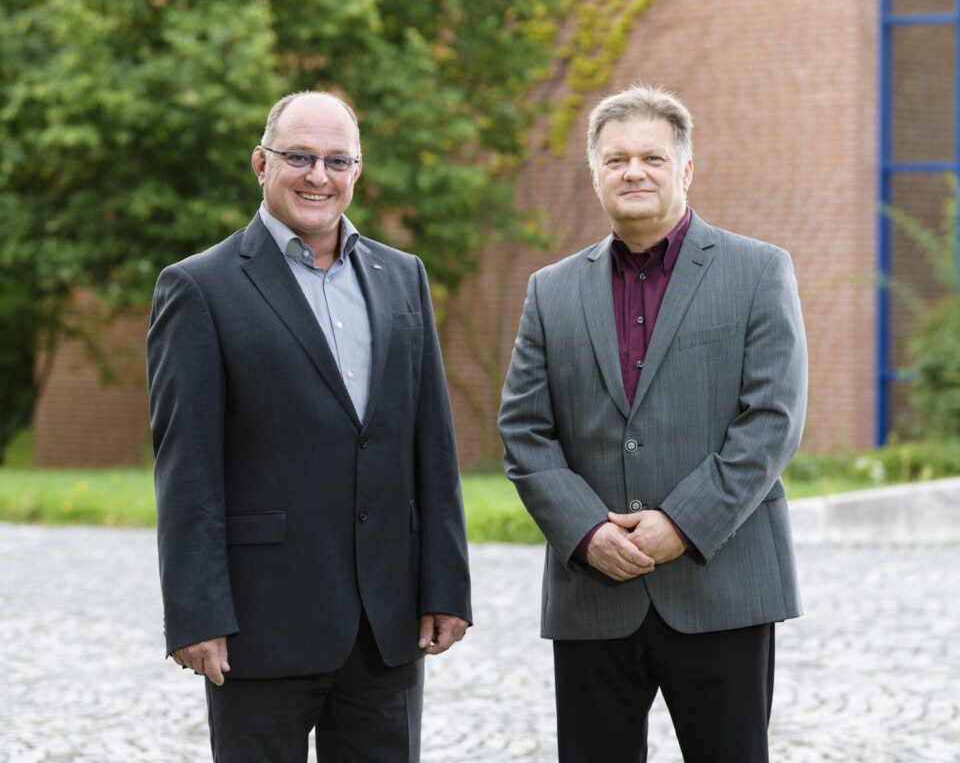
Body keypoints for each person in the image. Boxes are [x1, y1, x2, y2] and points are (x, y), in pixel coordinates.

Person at [147, 90, 472, 762]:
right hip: (261, 626)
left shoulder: (403, 277)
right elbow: (188, 467)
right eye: (299, 157)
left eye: (336, 160)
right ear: (261, 165)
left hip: (384, 625)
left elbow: (431, 444)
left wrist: (445, 586)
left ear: (357, 171)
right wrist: (196, 611)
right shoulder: (200, 288)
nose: (318, 176)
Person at [497, 84, 808, 763]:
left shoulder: (757, 272)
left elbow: (772, 421)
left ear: (686, 170)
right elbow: (524, 431)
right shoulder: (550, 292)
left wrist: (682, 523)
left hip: (720, 584)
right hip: (594, 591)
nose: (633, 171)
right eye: (616, 160)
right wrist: (586, 531)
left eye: (651, 158)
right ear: (595, 175)